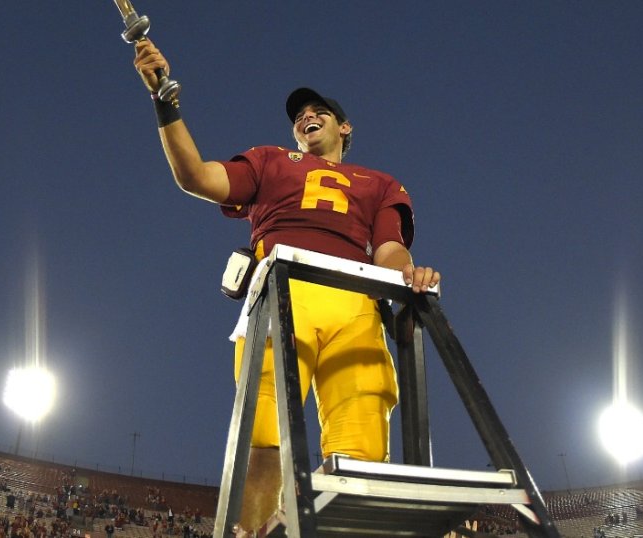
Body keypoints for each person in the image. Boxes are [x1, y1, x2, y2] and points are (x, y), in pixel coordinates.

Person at [133, 39, 442, 534]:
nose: (306, 117)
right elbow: (196, 177)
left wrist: (409, 274)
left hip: (356, 303)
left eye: (319, 111)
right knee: (264, 443)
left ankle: (309, 523)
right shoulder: (270, 160)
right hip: (281, 295)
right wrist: (164, 103)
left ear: (345, 127)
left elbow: (387, 248)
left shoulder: (380, 182)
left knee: (363, 454)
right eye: (299, 115)